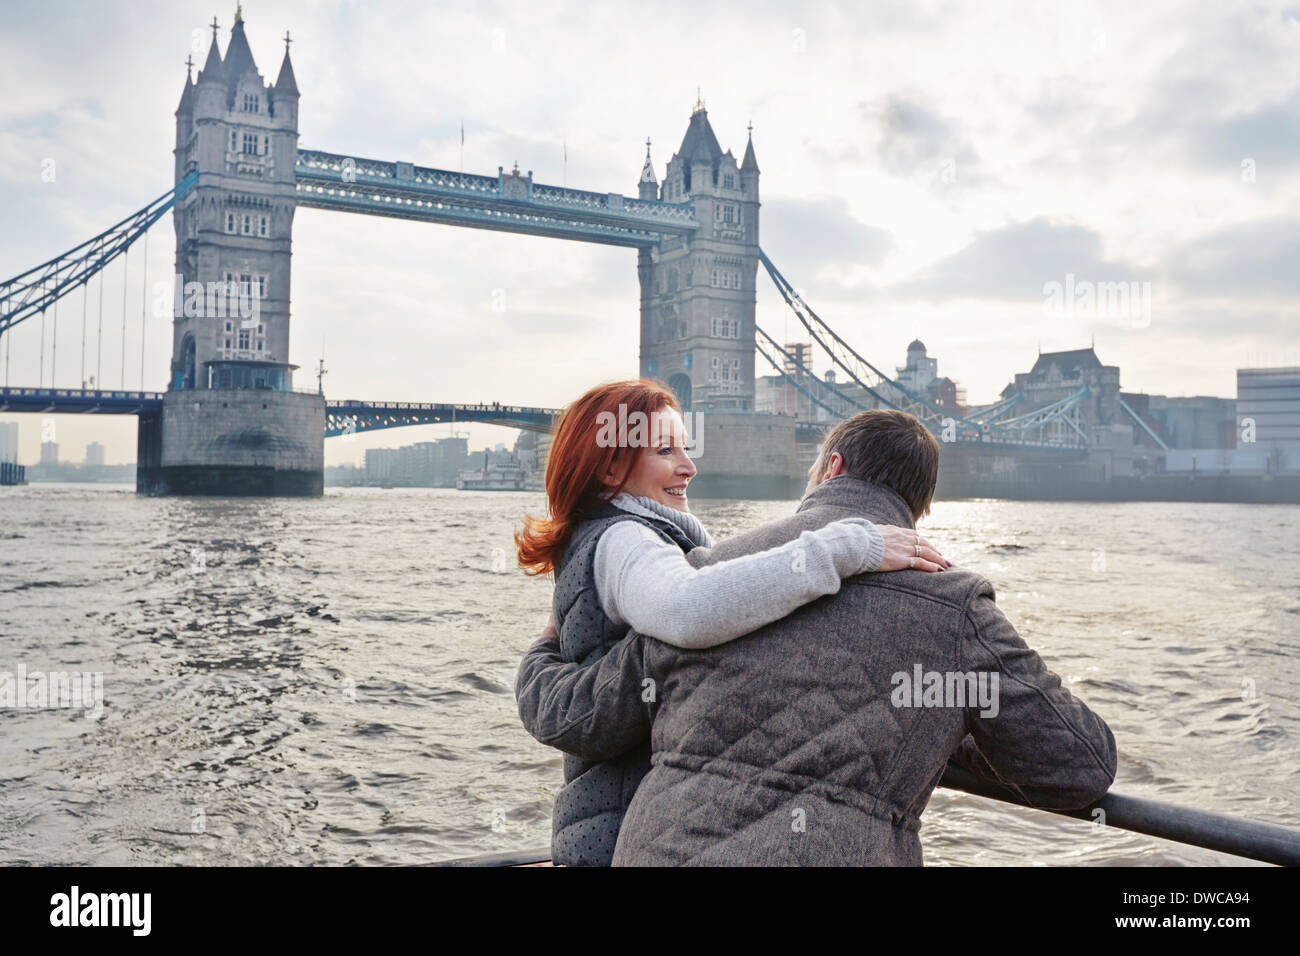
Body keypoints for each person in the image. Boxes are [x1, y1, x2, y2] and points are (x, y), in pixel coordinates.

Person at [516, 408, 1117, 866]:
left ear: (831, 467)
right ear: (919, 506)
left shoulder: (712, 571)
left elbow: (588, 714)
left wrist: (543, 653)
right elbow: (1079, 766)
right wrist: (944, 717)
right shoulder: (955, 605)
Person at [513, 381, 951, 866]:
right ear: (612, 466)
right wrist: (848, 546)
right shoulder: (626, 540)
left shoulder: (614, 536)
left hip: (604, 829)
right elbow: (689, 610)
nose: (689, 466)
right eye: (665, 450)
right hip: (626, 834)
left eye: (685, 447)